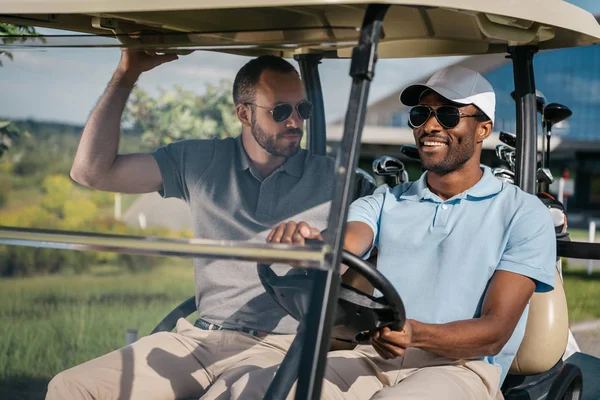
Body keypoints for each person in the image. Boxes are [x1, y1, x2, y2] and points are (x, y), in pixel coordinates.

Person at [46, 48, 374, 399]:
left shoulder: (339, 179)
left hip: (280, 347)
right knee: (70, 387)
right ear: (243, 114)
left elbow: (355, 252)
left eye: (302, 109)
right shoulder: (198, 160)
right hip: (199, 337)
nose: (295, 122)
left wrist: (315, 250)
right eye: (280, 111)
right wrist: (127, 74)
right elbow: (90, 171)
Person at [265, 65, 557, 399]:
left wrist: (413, 333)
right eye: (421, 113)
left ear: (483, 129)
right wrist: (310, 246)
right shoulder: (385, 200)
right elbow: (345, 241)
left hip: (461, 368)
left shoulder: (523, 213)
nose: (430, 126)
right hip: (372, 358)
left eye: (447, 115)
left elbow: (494, 331)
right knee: (273, 385)